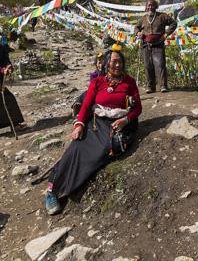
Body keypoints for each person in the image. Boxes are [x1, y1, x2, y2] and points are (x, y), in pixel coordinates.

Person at [45, 49, 142, 215]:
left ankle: (67, 190)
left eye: (120, 61)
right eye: (113, 62)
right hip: (96, 123)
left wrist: (126, 120)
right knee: (75, 148)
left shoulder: (130, 82)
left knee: (101, 151)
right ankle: (52, 190)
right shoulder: (97, 82)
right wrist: (79, 124)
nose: (117, 65)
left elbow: (138, 107)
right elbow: (86, 104)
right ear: (106, 64)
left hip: (117, 124)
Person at [134, 0, 177, 93]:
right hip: (146, 45)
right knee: (148, 65)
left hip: (158, 44)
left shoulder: (162, 16)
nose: (150, 7)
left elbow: (174, 23)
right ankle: (150, 87)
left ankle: (163, 86)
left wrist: (166, 34)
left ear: (156, 6)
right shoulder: (143, 18)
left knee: (160, 64)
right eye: (148, 5)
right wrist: (138, 33)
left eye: (152, 5)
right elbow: (136, 27)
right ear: (146, 7)